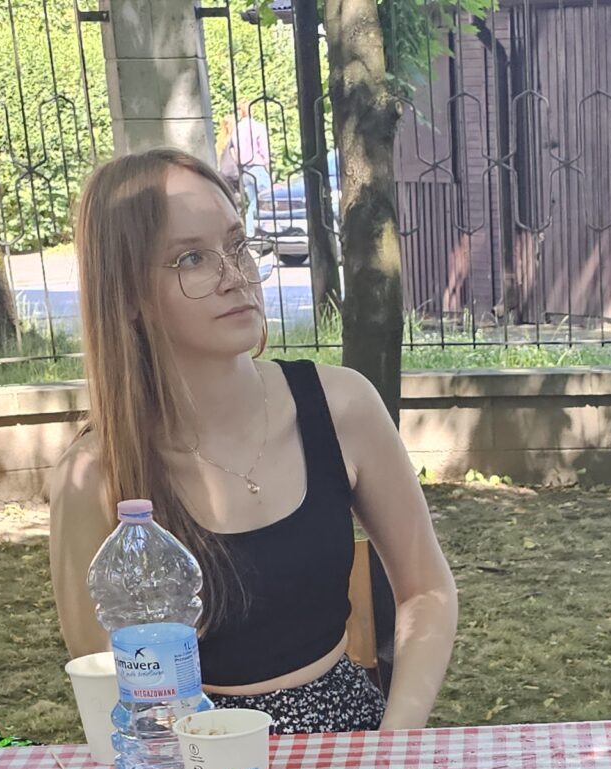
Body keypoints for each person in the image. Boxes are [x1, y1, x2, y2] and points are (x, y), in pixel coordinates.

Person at [49, 149, 456, 732]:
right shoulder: (95, 474)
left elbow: (425, 590)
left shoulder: (342, 406)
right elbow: (109, 688)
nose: (235, 274)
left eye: (238, 245)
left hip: (352, 739)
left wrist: (396, 738)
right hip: (193, 755)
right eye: (192, 258)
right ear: (129, 295)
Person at [218, 106, 275, 237]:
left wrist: (240, 164)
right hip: (258, 166)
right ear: (251, 111)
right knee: (268, 199)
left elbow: (234, 151)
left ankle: (250, 232)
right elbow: (264, 149)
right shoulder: (258, 127)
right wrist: (268, 167)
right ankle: (269, 230)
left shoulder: (237, 129)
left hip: (245, 170)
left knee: (253, 201)